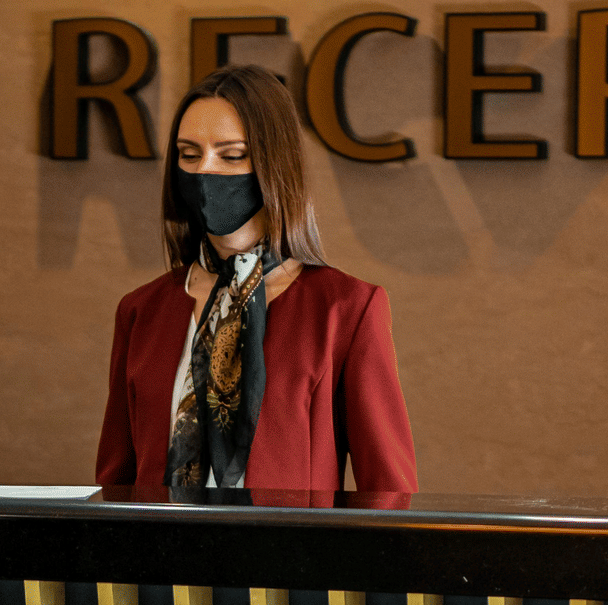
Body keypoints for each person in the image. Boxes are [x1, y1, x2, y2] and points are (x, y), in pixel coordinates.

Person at [95, 64, 418, 493]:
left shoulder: (346, 309)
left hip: (290, 558)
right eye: (189, 155)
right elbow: (115, 484)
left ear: (273, 162)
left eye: (232, 155)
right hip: (158, 555)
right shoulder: (142, 310)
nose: (205, 171)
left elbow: (390, 493)